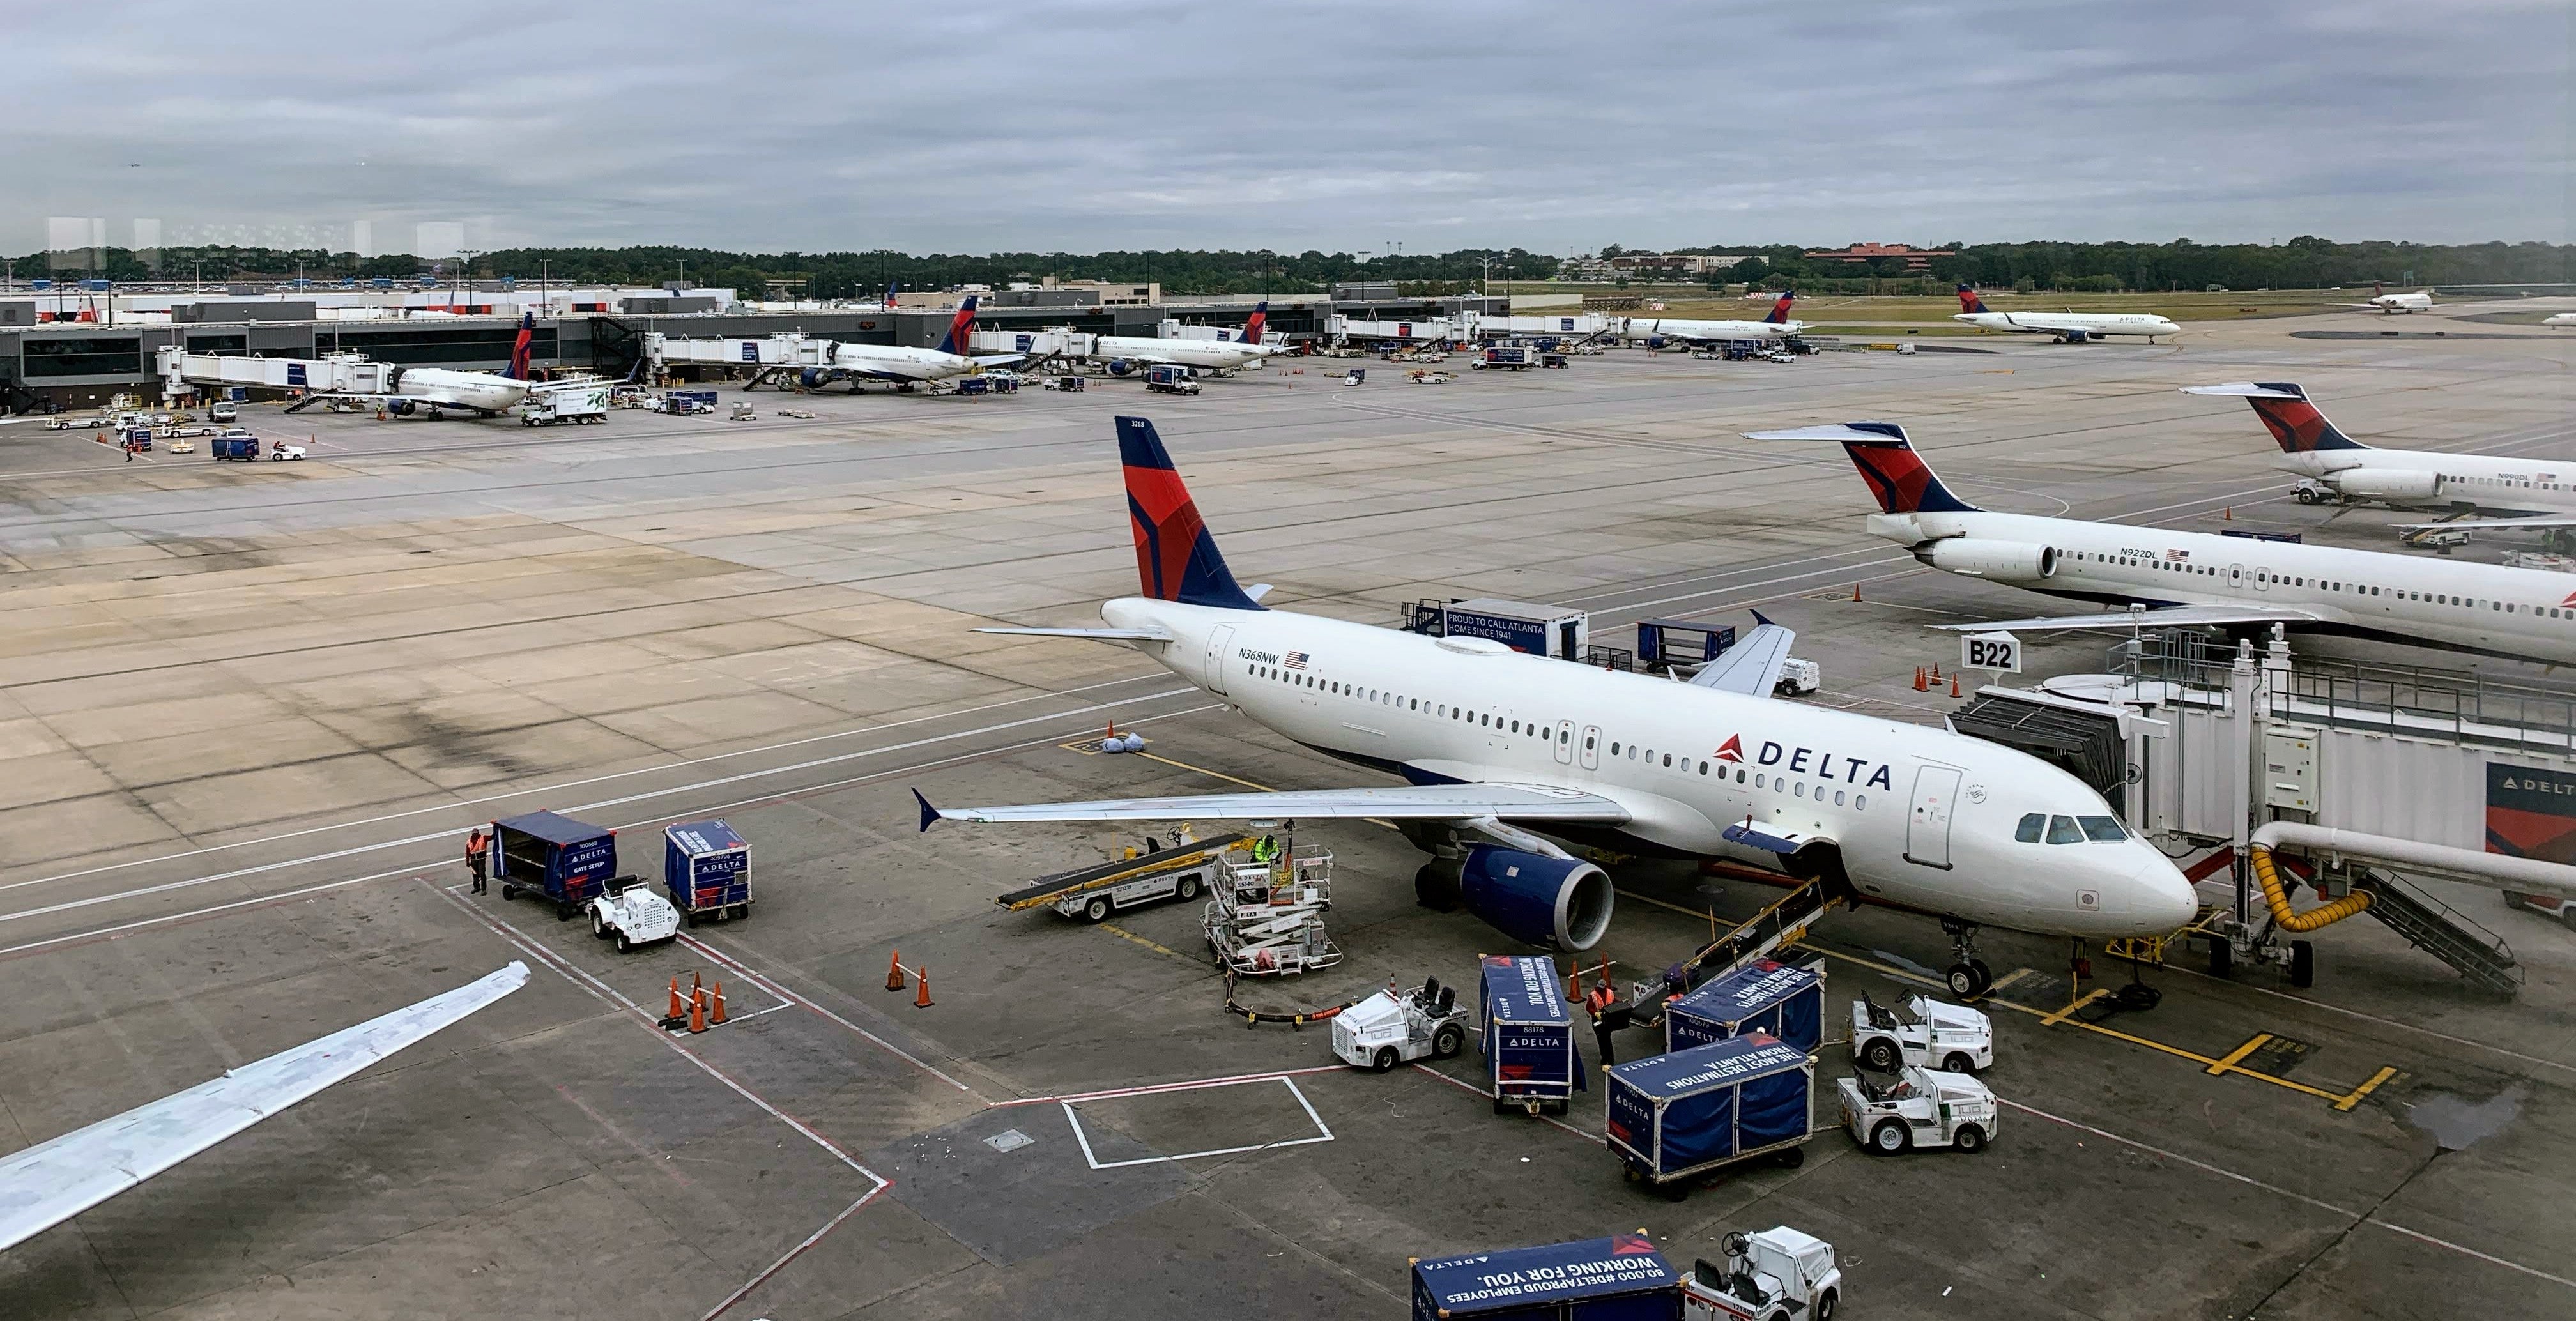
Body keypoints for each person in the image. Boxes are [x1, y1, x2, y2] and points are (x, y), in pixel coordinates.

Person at [465, 828, 489, 894]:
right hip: (473, 860)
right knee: (475, 874)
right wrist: (467, 861)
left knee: (482, 874)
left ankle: (484, 889)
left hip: (481, 859)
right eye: (474, 834)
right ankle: (477, 887)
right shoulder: (469, 842)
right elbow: (468, 852)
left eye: (476, 834)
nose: (475, 835)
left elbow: (492, 837)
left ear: (478, 833)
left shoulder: (483, 838)